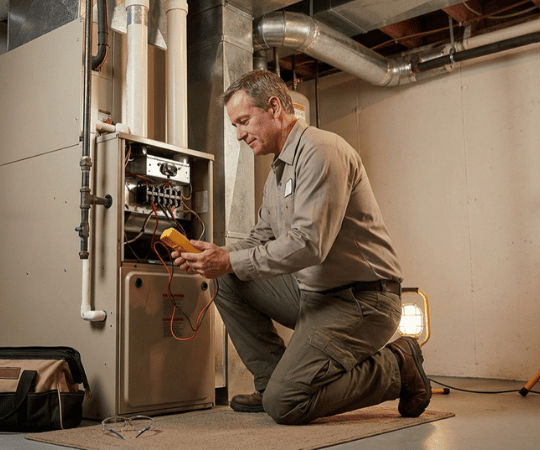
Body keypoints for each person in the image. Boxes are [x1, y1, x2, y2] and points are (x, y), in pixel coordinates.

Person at [171, 70, 430, 425]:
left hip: (363, 301)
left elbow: (309, 245)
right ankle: (272, 380)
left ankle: (398, 366)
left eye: (244, 121)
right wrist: (212, 257)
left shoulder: (322, 151)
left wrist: (228, 260)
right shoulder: (278, 173)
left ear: (274, 107)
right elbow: (260, 238)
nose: (239, 134)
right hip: (314, 294)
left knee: (287, 404)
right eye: (235, 126)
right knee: (226, 279)